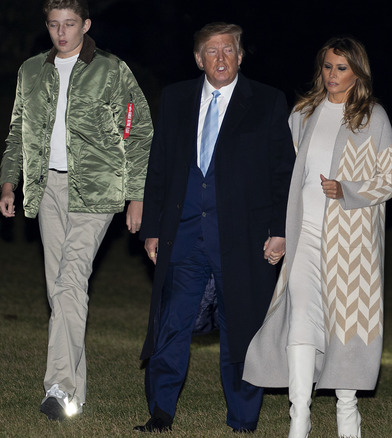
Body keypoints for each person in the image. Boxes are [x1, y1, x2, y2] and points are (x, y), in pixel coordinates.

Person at [0, 0, 153, 421]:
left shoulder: (112, 69)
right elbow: (17, 129)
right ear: (46, 27)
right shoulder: (30, 70)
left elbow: (137, 132)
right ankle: (74, 397)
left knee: (69, 280)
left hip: (97, 189)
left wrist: (136, 194)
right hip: (47, 187)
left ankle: (58, 386)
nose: (61, 33)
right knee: (61, 290)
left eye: (69, 24)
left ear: (85, 24)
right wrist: (10, 181)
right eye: (53, 25)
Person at [134, 22, 295, 433]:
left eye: (228, 50)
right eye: (211, 51)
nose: (220, 58)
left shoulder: (267, 102)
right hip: (184, 235)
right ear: (197, 58)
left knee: (241, 331)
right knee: (172, 325)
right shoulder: (175, 98)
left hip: (242, 240)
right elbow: (160, 168)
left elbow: (284, 173)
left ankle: (242, 420)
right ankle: (160, 412)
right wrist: (152, 228)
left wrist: (280, 229)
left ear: (240, 56)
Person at [243, 36, 392, 438]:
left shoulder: (373, 117)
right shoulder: (303, 112)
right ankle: (299, 420)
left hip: (351, 244)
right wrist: (279, 233)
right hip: (304, 236)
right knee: (300, 319)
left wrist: (348, 190)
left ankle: (348, 418)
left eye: (342, 68)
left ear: (357, 73)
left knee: (345, 327)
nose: (333, 75)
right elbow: (284, 177)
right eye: (328, 67)